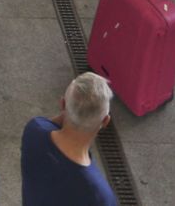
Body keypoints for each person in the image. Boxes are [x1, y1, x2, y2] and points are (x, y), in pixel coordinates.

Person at [20, 72, 119, 206]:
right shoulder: (100, 196)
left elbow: (48, 124)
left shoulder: (34, 131)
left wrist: (70, 111)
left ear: (62, 105)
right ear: (106, 121)